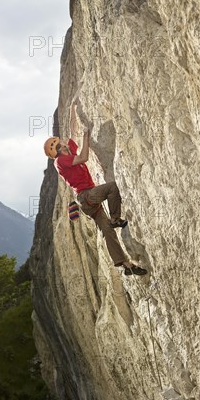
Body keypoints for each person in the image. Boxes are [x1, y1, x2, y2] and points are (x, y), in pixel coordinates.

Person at [43, 102, 147, 276]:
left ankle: (126, 264)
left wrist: (72, 109)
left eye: (61, 144)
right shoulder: (60, 162)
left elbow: (71, 129)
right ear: (58, 152)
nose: (64, 146)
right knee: (112, 188)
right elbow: (83, 157)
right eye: (60, 146)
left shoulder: (68, 152)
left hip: (89, 202)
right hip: (86, 197)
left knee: (107, 231)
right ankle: (116, 218)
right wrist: (85, 137)